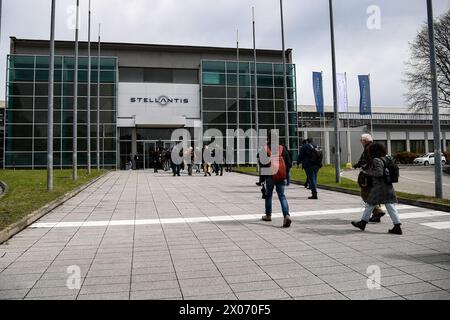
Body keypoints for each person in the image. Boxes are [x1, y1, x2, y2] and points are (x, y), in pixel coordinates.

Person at [351, 143, 403, 235]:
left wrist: (367, 171)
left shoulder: (377, 160)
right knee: (390, 206)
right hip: (388, 186)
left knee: (369, 204)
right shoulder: (386, 158)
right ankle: (397, 226)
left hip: (379, 187)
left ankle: (362, 223)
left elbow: (379, 173)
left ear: (373, 151)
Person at [261, 134, 292, 228]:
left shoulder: (265, 148)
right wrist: (285, 173)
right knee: (282, 196)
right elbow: (288, 163)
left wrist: (263, 179)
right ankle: (286, 215)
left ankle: (268, 215)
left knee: (268, 195)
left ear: (268, 138)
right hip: (281, 175)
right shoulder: (282, 148)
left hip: (269, 176)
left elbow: (262, 164)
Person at [354, 134, 386, 223]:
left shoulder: (369, 148)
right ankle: (376, 215)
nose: (361, 142)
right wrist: (359, 164)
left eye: (361, 141)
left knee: (365, 194)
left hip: (369, 175)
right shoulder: (374, 146)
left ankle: (377, 211)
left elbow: (369, 161)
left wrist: (362, 165)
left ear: (365, 140)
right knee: (373, 194)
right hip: (375, 175)